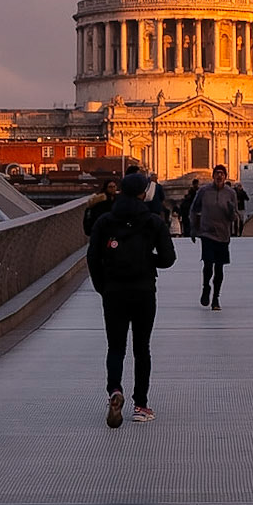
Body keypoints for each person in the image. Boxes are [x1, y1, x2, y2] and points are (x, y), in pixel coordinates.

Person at [87, 168, 176, 424]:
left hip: (113, 291)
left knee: (115, 347)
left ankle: (115, 390)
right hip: (143, 290)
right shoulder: (153, 221)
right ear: (142, 193)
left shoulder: (105, 221)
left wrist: (102, 286)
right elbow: (168, 259)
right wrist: (147, 260)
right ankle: (141, 405)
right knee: (141, 348)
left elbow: (92, 257)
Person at [192, 164, 244, 309]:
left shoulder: (231, 193)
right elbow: (194, 209)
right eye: (217, 173)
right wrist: (193, 229)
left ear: (225, 176)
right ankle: (206, 287)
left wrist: (231, 211)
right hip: (207, 233)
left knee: (219, 267)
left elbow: (234, 217)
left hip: (223, 234)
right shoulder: (204, 191)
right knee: (208, 263)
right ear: (213, 175)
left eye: (222, 173)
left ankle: (216, 297)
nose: (219, 176)